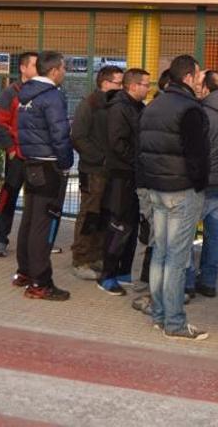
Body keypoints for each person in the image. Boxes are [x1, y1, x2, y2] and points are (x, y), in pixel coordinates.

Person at [138, 54, 210, 341]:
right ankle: (175, 322)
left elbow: (141, 151)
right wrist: (199, 184)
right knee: (177, 260)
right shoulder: (190, 110)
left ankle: (159, 315)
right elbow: (197, 156)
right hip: (182, 192)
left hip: (157, 189)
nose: (202, 82)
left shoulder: (153, 106)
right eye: (200, 76)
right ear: (188, 77)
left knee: (161, 254)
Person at [14, 51, 74, 300]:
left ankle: (25, 271)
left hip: (31, 163)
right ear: (53, 71)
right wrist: (66, 162)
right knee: (44, 224)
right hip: (49, 166)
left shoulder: (25, 95)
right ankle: (40, 282)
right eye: (63, 68)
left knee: (30, 219)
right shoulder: (52, 97)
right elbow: (59, 134)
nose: (65, 72)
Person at [97, 68, 150, 296]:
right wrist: (137, 161)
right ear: (133, 85)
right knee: (118, 225)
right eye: (146, 84)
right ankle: (107, 275)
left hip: (134, 176)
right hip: (121, 176)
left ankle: (123, 270)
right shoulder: (119, 108)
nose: (148, 88)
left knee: (132, 224)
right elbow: (118, 143)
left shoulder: (139, 108)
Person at [70, 65, 123, 280]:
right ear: (105, 83)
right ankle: (81, 258)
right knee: (90, 213)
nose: (121, 87)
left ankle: (97, 255)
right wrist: (100, 158)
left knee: (105, 214)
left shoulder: (116, 105)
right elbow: (78, 137)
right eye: (118, 83)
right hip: (93, 170)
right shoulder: (89, 104)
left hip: (111, 170)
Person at [185, 70, 218, 294]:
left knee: (186, 234)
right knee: (215, 235)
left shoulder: (201, 113)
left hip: (199, 182)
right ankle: (209, 282)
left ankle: (186, 282)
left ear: (205, 87)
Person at [0, 52, 38, 257]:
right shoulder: (11, 92)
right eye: (35, 65)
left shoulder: (44, 92)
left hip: (37, 156)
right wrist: (10, 149)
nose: (39, 69)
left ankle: (34, 241)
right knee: (8, 196)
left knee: (36, 201)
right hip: (17, 155)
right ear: (23, 68)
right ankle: (0, 238)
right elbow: (0, 122)